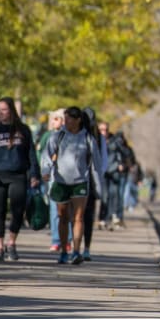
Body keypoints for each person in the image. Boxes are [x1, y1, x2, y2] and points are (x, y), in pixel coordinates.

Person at [0, 96, 40, 261]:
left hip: (18, 175)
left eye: (4, 109)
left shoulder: (23, 130)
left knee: (17, 210)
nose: (1, 113)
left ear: (11, 110)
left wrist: (34, 175)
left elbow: (31, 155)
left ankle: (11, 243)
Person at [42, 106, 103, 264]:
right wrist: (46, 170)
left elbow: (96, 164)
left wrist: (99, 186)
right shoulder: (58, 136)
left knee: (78, 218)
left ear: (78, 120)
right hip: (61, 181)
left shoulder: (87, 138)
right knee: (63, 218)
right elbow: (46, 154)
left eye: (69, 118)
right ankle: (63, 251)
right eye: (65, 118)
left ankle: (76, 251)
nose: (65, 121)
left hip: (80, 182)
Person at [80, 107, 107, 260]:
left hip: (90, 180)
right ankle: (76, 245)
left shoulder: (97, 137)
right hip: (74, 179)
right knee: (77, 215)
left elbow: (103, 160)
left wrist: (98, 175)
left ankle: (86, 248)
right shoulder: (73, 135)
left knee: (88, 215)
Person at [40, 109, 66, 252]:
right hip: (53, 176)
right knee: (54, 209)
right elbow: (42, 153)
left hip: (68, 177)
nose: (55, 121)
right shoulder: (48, 136)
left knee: (67, 210)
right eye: (53, 118)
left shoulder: (69, 136)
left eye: (58, 118)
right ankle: (56, 240)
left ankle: (67, 240)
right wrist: (44, 171)